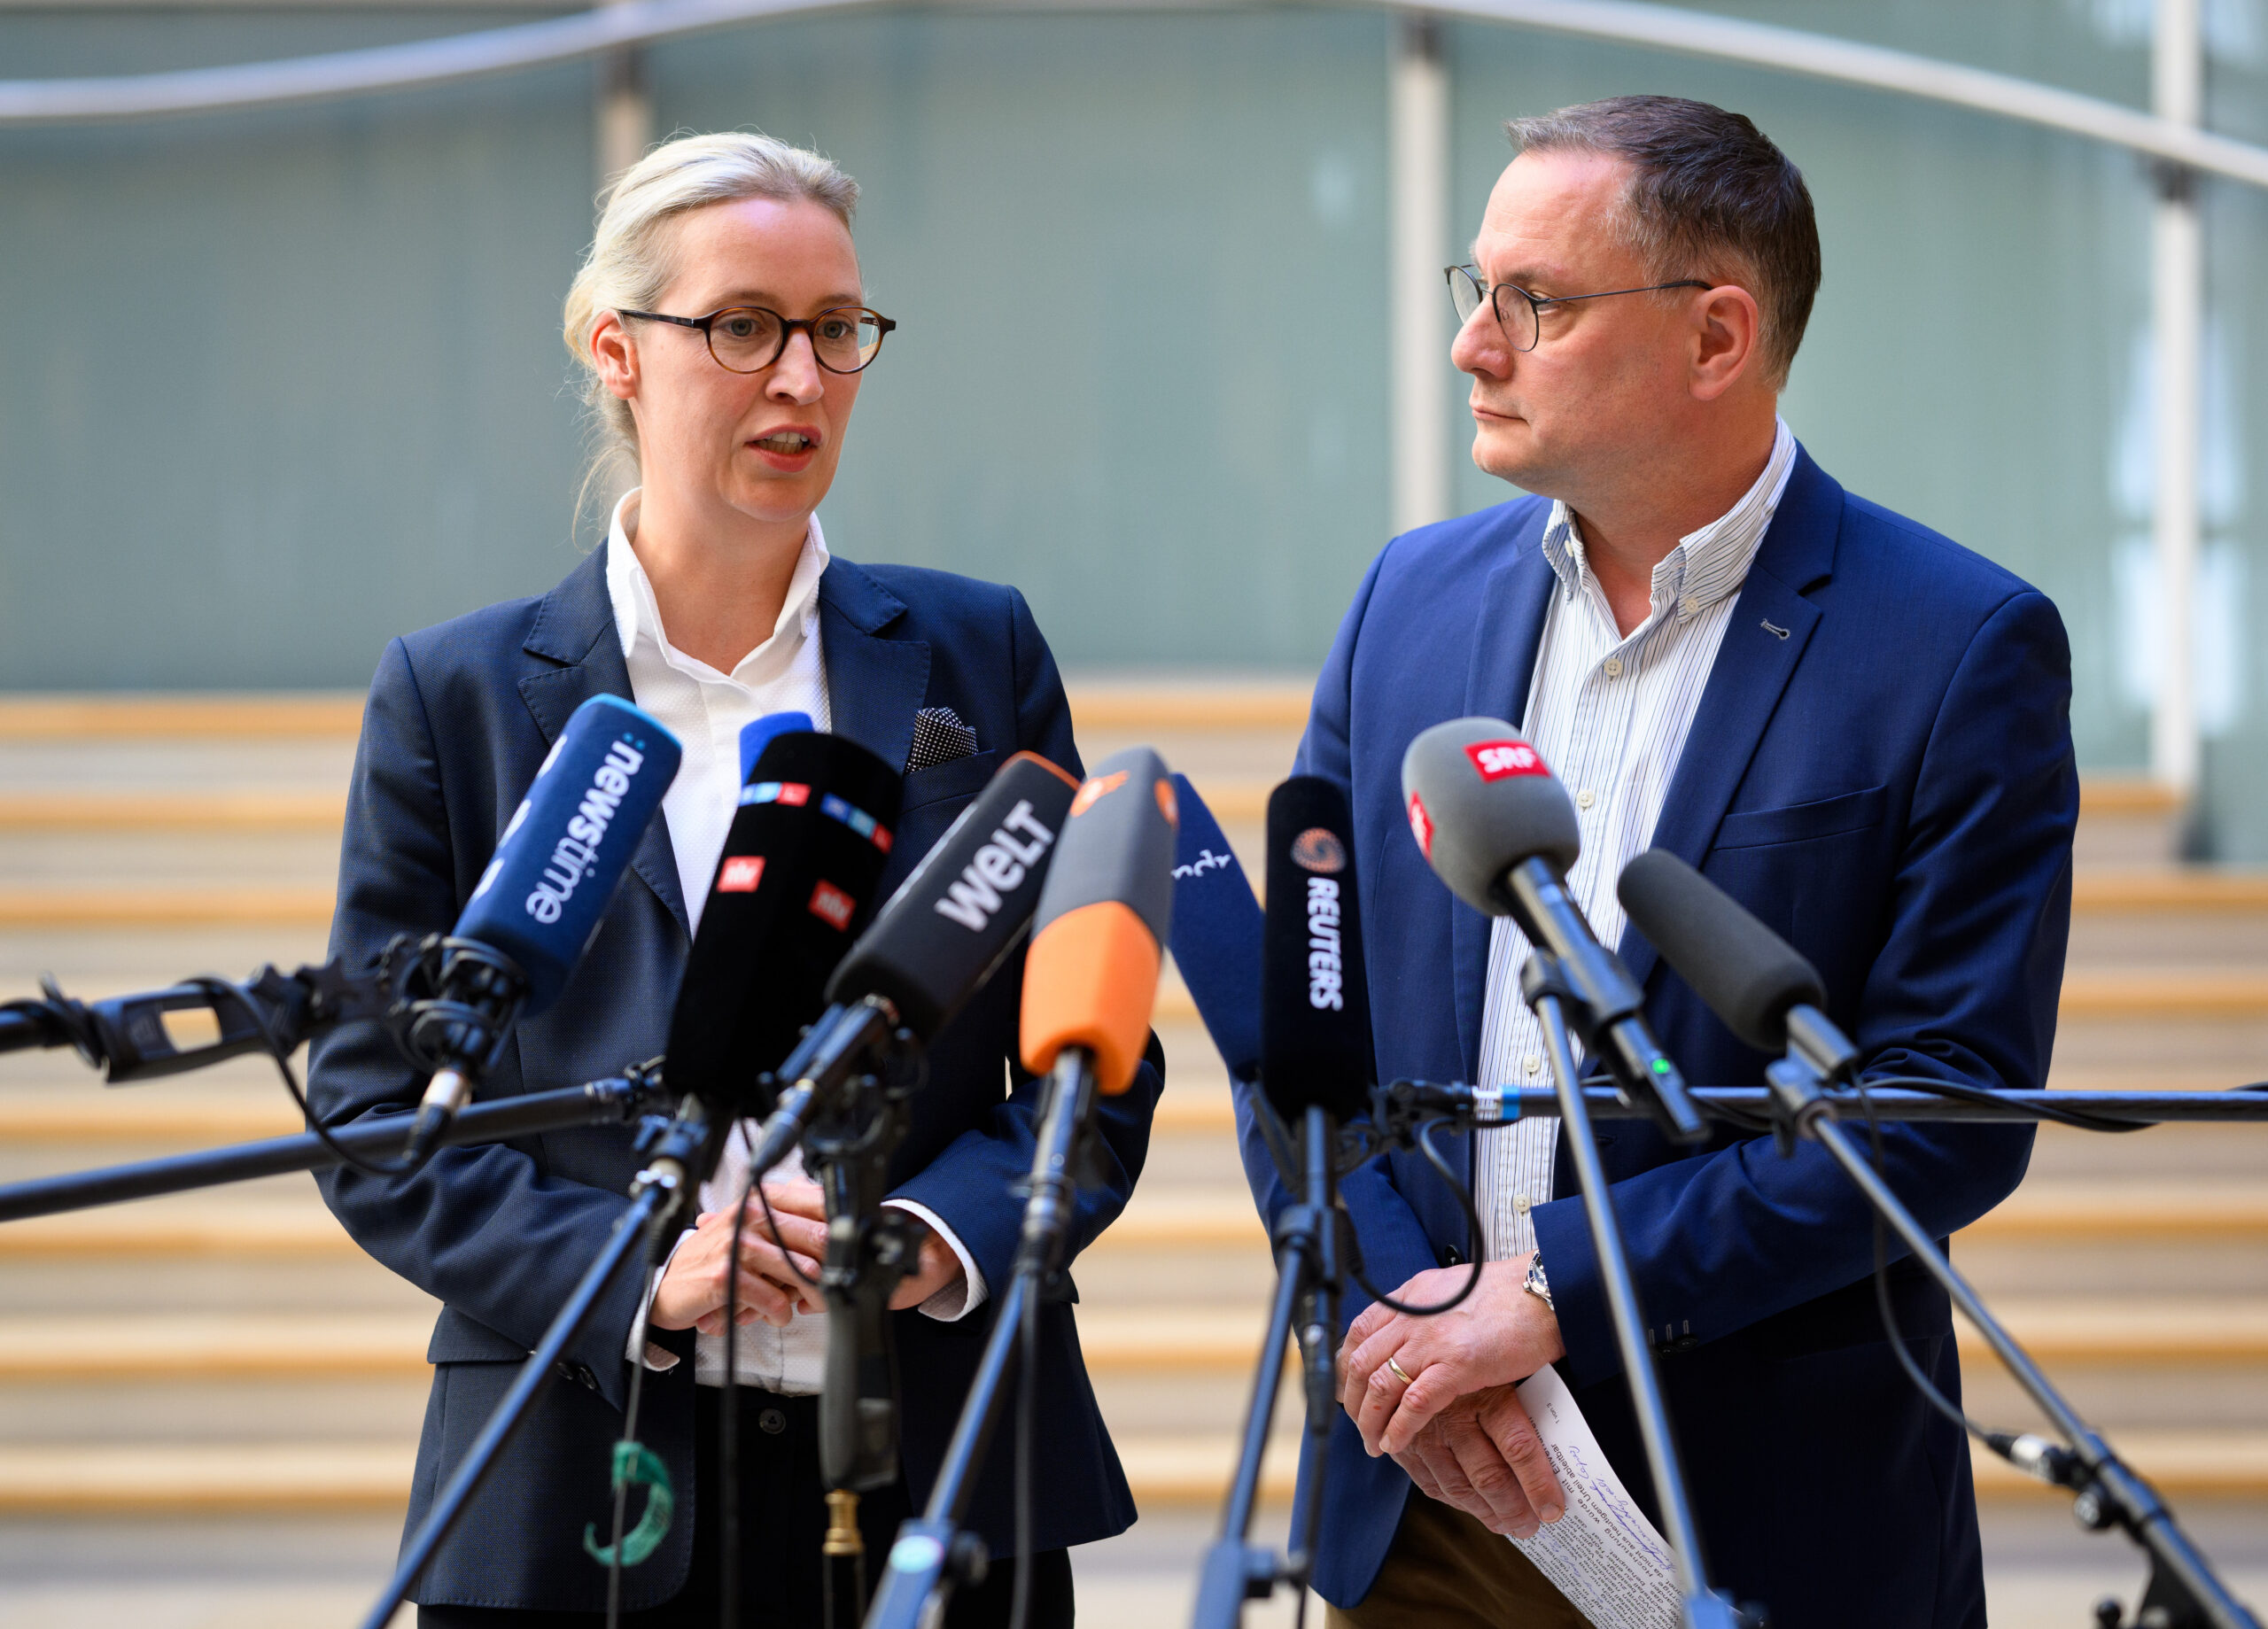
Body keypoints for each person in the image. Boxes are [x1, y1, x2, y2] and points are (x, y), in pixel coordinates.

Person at [309, 131, 1156, 1626]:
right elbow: (374, 1113)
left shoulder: (979, 654)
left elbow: (1093, 1056)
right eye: (744, 326)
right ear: (616, 349)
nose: (802, 380)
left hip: (946, 1468)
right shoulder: (456, 695)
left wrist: (938, 1234)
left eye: (838, 331)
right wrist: (636, 1264)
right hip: (576, 1483)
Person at [1248, 97, 2076, 1627]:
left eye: (1535, 304)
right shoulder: (1405, 603)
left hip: (1763, 1513)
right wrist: (1407, 1317)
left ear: (1716, 338)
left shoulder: (1957, 645)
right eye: (1475, 291)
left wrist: (1547, 1291)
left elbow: (1948, 1107)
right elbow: (1303, 1035)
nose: (1472, 347)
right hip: (1426, 1497)